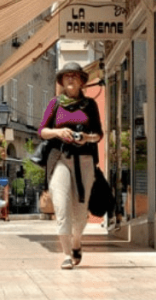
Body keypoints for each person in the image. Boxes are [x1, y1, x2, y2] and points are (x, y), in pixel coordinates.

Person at [38, 62, 104, 270]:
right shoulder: (54, 104)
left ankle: (77, 241)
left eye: (75, 76)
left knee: (81, 210)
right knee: (61, 204)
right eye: (67, 76)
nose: (70, 79)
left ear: (82, 82)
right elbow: (42, 131)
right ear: (62, 81)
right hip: (60, 157)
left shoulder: (90, 105)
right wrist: (58, 132)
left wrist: (86, 137)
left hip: (84, 159)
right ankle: (66, 254)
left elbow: (99, 134)